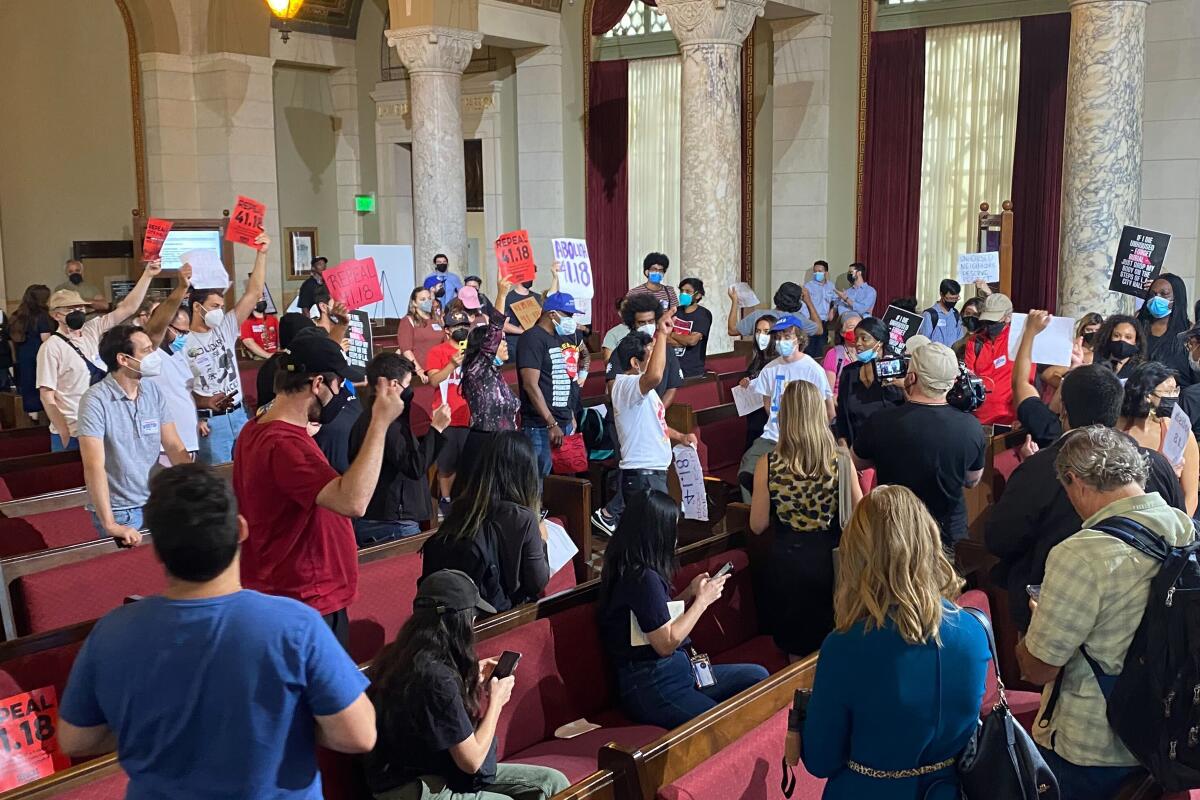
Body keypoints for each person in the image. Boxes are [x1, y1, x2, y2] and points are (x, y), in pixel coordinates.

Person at [58, 464, 376, 799]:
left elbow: (76, 739)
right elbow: (359, 735)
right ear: (240, 529)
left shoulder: (111, 631)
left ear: (157, 549)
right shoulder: (294, 625)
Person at [1017, 426, 1195, 800]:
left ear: (1075, 481)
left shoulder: (1080, 555)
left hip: (1094, 745)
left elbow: (1039, 668)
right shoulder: (1185, 530)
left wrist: (1033, 624)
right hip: (1167, 732)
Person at [988, 319, 1185, 630]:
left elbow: (999, 540)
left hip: (1054, 608)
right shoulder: (1157, 465)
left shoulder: (1042, 468)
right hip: (1142, 611)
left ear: (1063, 410)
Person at [799, 486, 989, 800]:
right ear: (928, 542)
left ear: (857, 558)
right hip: (951, 791)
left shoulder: (845, 646)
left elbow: (821, 760)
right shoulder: (972, 629)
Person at [232, 334, 404, 649]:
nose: (341, 395)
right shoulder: (285, 444)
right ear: (318, 384)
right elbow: (353, 501)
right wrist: (379, 423)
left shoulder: (255, 429)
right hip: (306, 599)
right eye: (338, 387)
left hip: (290, 592)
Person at [365, 569, 569, 800]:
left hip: (436, 771)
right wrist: (496, 702)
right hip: (410, 787)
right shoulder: (436, 678)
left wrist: (467, 675)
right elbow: (471, 762)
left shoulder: (404, 655)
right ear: (459, 623)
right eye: (473, 618)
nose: (473, 625)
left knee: (552, 783)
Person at [598, 490, 769, 729]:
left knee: (757, 677)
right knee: (720, 726)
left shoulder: (636, 567)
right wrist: (703, 601)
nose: (675, 538)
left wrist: (689, 593)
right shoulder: (639, 577)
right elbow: (666, 643)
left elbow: (654, 618)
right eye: (672, 529)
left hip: (680, 671)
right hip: (652, 683)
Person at [751, 380, 861, 659]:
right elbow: (861, 512)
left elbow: (757, 524)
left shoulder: (768, 463)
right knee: (836, 644)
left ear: (785, 415)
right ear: (818, 412)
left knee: (797, 654)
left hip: (789, 563)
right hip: (831, 560)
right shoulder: (840, 460)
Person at [853, 341, 985, 545]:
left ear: (911, 377)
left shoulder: (881, 421)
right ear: (952, 382)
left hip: (896, 527)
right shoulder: (971, 426)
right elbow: (972, 480)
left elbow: (857, 462)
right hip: (948, 532)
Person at [79, 325, 191, 545]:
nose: (154, 356)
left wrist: (194, 487)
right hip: (121, 510)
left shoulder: (152, 390)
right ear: (123, 359)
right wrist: (111, 523)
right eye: (147, 351)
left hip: (155, 500)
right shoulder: (95, 400)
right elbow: (94, 466)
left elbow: (173, 443)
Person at [422, 432, 551, 612]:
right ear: (527, 472)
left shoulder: (463, 506)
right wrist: (543, 540)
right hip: (498, 618)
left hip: (458, 611)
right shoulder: (523, 518)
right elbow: (537, 583)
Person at [591, 322, 698, 536]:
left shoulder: (644, 392)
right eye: (650, 355)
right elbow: (655, 376)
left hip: (652, 473)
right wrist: (662, 334)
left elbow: (656, 424)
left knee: (655, 537)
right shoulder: (625, 385)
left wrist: (681, 437)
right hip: (643, 475)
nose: (656, 362)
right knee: (650, 538)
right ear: (634, 362)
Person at [38, 264, 159, 452]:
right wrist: (63, 432)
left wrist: (147, 275)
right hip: (73, 431)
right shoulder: (51, 347)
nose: (77, 311)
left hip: (101, 423)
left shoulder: (92, 329)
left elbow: (128, 308)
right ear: (56, 314)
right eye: (70, 309)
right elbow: (47, 394)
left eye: (80, 307)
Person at [349, 352, 451, 544]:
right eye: (407, 385)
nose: (410, 391)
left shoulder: (368, 417)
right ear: (393, 385)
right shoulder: (387, 423)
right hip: (392, 522)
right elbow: (414, 466)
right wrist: (436, 429)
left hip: (380, 517)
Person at [185, 233, 269, 464]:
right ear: (197, 306)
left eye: (221, 306)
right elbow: (178, 390)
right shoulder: (183, 342)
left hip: (239, 414)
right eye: (214, 306)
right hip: (210, 421)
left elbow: (253, 293)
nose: (219, 311)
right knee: (219, 480)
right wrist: (202, 404)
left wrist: (261, 254)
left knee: (248, 471)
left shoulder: (225, 327)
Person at [737, 316, 834, 501]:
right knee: (748, 467)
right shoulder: (770, 369)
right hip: (773, 436)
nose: (782, 341)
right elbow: (768, 405)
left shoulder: (812, 369)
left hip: (804, 437)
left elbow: (828, 410)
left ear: (799, 338)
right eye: (779, 337)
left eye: (787, 336)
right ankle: (753, 515)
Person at [517, 292, 589, 478]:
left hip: (562, 420)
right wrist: (551, 423)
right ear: (552, 314)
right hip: (541, 426)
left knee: (566, 482)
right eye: (568, 315)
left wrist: (569, 414)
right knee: (537, 480)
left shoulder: (557, 337)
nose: (571, 320)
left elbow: (562, 378)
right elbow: (531, 385)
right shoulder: (532, 338)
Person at [1118, 361, 1199, 516]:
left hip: (1169, 520)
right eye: (1168, 392)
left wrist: (1178, 530)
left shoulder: (1181, 432)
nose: (1174, 397)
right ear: (1148, 395)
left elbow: (1191, 495)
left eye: (1176, 390)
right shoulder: (1119, 429)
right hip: (1127, 517)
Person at [427, 309, 475, 517]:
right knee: (446, 464)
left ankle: (463, 500)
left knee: (467, 463)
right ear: (447, 331)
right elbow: (434, 380)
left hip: (468, 414)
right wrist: (452, 364)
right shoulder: (436, 352)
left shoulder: (473, 351)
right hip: (446, 415)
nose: (461, 330)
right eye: (457, 327)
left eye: (465, 326)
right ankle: (445, 501)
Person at [833, 316, 905, 449]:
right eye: (856, 338)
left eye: (864, 338)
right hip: (857, 450)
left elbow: (912, 407)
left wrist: (904, 385)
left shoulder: (896, 368)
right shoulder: (849, 373)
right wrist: (844, 448)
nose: (858, 343)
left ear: (880, 342)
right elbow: (842, 416)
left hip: (892, 447)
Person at [604, 294, 684, 408]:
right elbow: (613, 389)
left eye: (651, 321)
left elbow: (672, 387)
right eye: (641, 323)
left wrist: (657, 412)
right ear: (632, 323)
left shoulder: (666, 349)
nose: (647, 326)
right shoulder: (622, 349)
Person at [963, 292, 1025, 426]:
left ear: (1008, 318)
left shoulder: (1019, 341)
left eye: (993, 321)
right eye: (986, 321)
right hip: (977, 419)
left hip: (1010, 420)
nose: (989, 325)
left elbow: (1026, 382)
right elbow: (969, 378)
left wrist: (1023, 417)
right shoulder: (974, 342)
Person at [1136, 272, 1192, 382]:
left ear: (1177, 298)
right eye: (1153, 294)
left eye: (1164, 294)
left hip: (1175, 396)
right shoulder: (1137, 327)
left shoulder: (1189, 333)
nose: (1157, 298)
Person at [10, 284, 54, 420]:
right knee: (43, 382)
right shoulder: (42, 316)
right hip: (39, 353)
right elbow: (45, 339)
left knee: (28, 383)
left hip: (23, 353)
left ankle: (32, 415)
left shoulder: (17, 314)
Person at [728, 281, 822, 341]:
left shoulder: (758, 315)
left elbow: (732, 330)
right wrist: (809, 302)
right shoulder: (798, 319)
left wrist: (735, 301)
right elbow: (819, 330)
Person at [741, 314, 777, 447]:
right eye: (758, 331)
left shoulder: (777, 361)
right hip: (754, 415)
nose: (761, 335)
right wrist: (746, 381)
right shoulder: (757, 358)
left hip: (769, 420)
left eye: (766, 332)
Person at [398, 286, 443, 383]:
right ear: (414, 303)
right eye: (422, 299)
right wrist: (418, 370)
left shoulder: (436, 319)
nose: (427, 302)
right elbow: (406, 350)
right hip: (420, 373)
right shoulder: (408, 321)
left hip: (439, 370)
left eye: (429, 299)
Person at [670, 277, 712, 378]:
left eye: (688, 291)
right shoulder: (674, 312)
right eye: (681, 291)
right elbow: (662, 337)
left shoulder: (703, 315)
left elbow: (692, 341)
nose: (683, 294)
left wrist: (672, 334)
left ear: (698, 295)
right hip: (671, 368)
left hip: (691, 371)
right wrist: (684, 340)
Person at [1093, 313, 1146, 380]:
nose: (1122, 340)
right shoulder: (1096, 362)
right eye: (1116, 336)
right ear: (1109, 337)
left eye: (1128, 337)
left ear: (1136, 341)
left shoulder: (1141, 370)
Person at [822, 312, 861, 397]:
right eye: (851, 327)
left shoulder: (868, 353)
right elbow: (828, 393)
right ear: (842, 332)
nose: (856, 331)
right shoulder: (834, 354)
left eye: (859, 326)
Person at [916, 279, 963, 347]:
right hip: (935, 356)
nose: (953, 301)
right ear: (941, 294)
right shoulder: (929, 315)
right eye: (950, 298)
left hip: (952, 356)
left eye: (956, 298)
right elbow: (924, 342)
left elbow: (960, 339)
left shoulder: (955, 314)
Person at [804, 260, 839, 350]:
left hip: (824, 322)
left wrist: (833, 310)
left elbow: (836, 300)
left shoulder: (831, 286)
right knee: (810, 348)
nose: (817, 273)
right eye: (815, 271)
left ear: (826, 273)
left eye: (819, 271)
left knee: (822, 348)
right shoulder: (808, 286)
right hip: (812, 321)